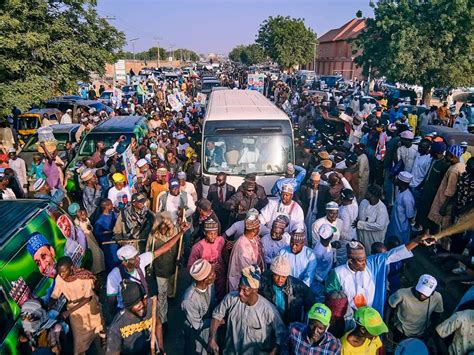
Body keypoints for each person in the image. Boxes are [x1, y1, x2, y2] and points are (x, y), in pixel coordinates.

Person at [326, 233, 431, 317]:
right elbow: (332, 300)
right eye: (361, 261)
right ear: (350, 261)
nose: (364, 263)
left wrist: (416, 241)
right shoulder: (337, 273)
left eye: (365, 259)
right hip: (350, 319)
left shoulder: (372, 264)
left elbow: (394, 254)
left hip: (373, 315)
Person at [107, 223, 187, 316]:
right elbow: (111, 300)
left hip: (144, 303)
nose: (138, 259)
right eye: (134, 258)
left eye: (137, 256)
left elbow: (164, 248)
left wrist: (181, 232)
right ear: (124, 262)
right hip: (127, 310)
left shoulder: (142, 260)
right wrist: (115, 317)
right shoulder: (113, 276)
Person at [207, 265, 287, 354]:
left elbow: (281, 335)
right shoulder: (231, 298)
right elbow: (216, 316)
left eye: (245, 290)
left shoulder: (269, 310)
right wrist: (212, 339)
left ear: (255, 290)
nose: (240, 293)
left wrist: (273, 352)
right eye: (239, 288)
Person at [50, 256, 104, 355]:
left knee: (98, 326)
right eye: (59, 272)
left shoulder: (84, 277)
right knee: (79, 341)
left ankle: (103, 340)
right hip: (75, 312)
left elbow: (87, 298)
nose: (62, 275)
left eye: (64, 271)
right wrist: (48, 304)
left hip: (88, 306)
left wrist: (68, 312)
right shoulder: (59, 278)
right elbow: (56, 294)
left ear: (71, 268)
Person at [106, 280, 165, 355]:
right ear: (128, 307)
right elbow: (113, 352)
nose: (142, 305)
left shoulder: (151, 306)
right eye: (136, 303)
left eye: (143, 299)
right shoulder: (117, 326)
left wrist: (160, 349)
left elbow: (158, 324)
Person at [259, 255, 314, 325]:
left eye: (283, 277)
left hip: (289, 324)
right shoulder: (263, 281)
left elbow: (311, 303)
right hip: (269, 322)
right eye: (276, 275)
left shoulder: (298, 286)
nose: (280, 280)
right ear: (272, 273)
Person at [387, 274, 443, 341]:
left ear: (433, 292)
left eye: (425, 294)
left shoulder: (437, 298)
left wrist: (431, 331)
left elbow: (437, 315)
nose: (422, 296)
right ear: (416, 285)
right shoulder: (401, 294)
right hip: (401, 331)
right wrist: (387, 326)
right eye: (420, 292)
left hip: (422, 333)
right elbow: (389, 306)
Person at [181, 259, 217, 355]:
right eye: (211, 273)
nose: (214, 273)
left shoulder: (210, 285)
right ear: (205, 279)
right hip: (195, 334)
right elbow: (198, 325)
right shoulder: (188, 300)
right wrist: (216, 321)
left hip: (208, 329)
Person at [428, 145, 466, 232]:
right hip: (450, 203)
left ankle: (438, 243)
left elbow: (450, 191)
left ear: (452, 157)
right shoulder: (462, 166)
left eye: (447, 155)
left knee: (441, 224)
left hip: (444, 202)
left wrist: (443, 207)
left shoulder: (454, 170)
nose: (445, 157)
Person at [187, 218, 226, 300]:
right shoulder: (197, 247)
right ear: (205, 233)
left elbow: (225, 254)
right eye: (210, 234)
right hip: (206, 278)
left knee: (220, 295)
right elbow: (190, 266)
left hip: (220, 274)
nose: (213, 236)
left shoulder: (221, 240)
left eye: (215, 233)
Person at [227, 214, 265, 291]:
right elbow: (247, 270)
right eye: (258, 228)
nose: (259, 230)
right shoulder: (242, 246)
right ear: (254, 231)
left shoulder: (253, 239)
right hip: (243, 284)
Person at [386, 172, 416, 244]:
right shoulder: (400, 191)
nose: (395, 180)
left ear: (402, 183)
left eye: (397, 179)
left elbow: (410, 215)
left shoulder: (407, 198)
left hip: (402, 227)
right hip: (395, 224)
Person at [93, 198, 118, 272]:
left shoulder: (112, 214)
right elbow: (97, 233)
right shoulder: (100, 221)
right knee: (112, 261)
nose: (113, 205)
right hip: (108, 244)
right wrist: (110, 231)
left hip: (115, 241)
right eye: (111, 204)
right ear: (107, 207)